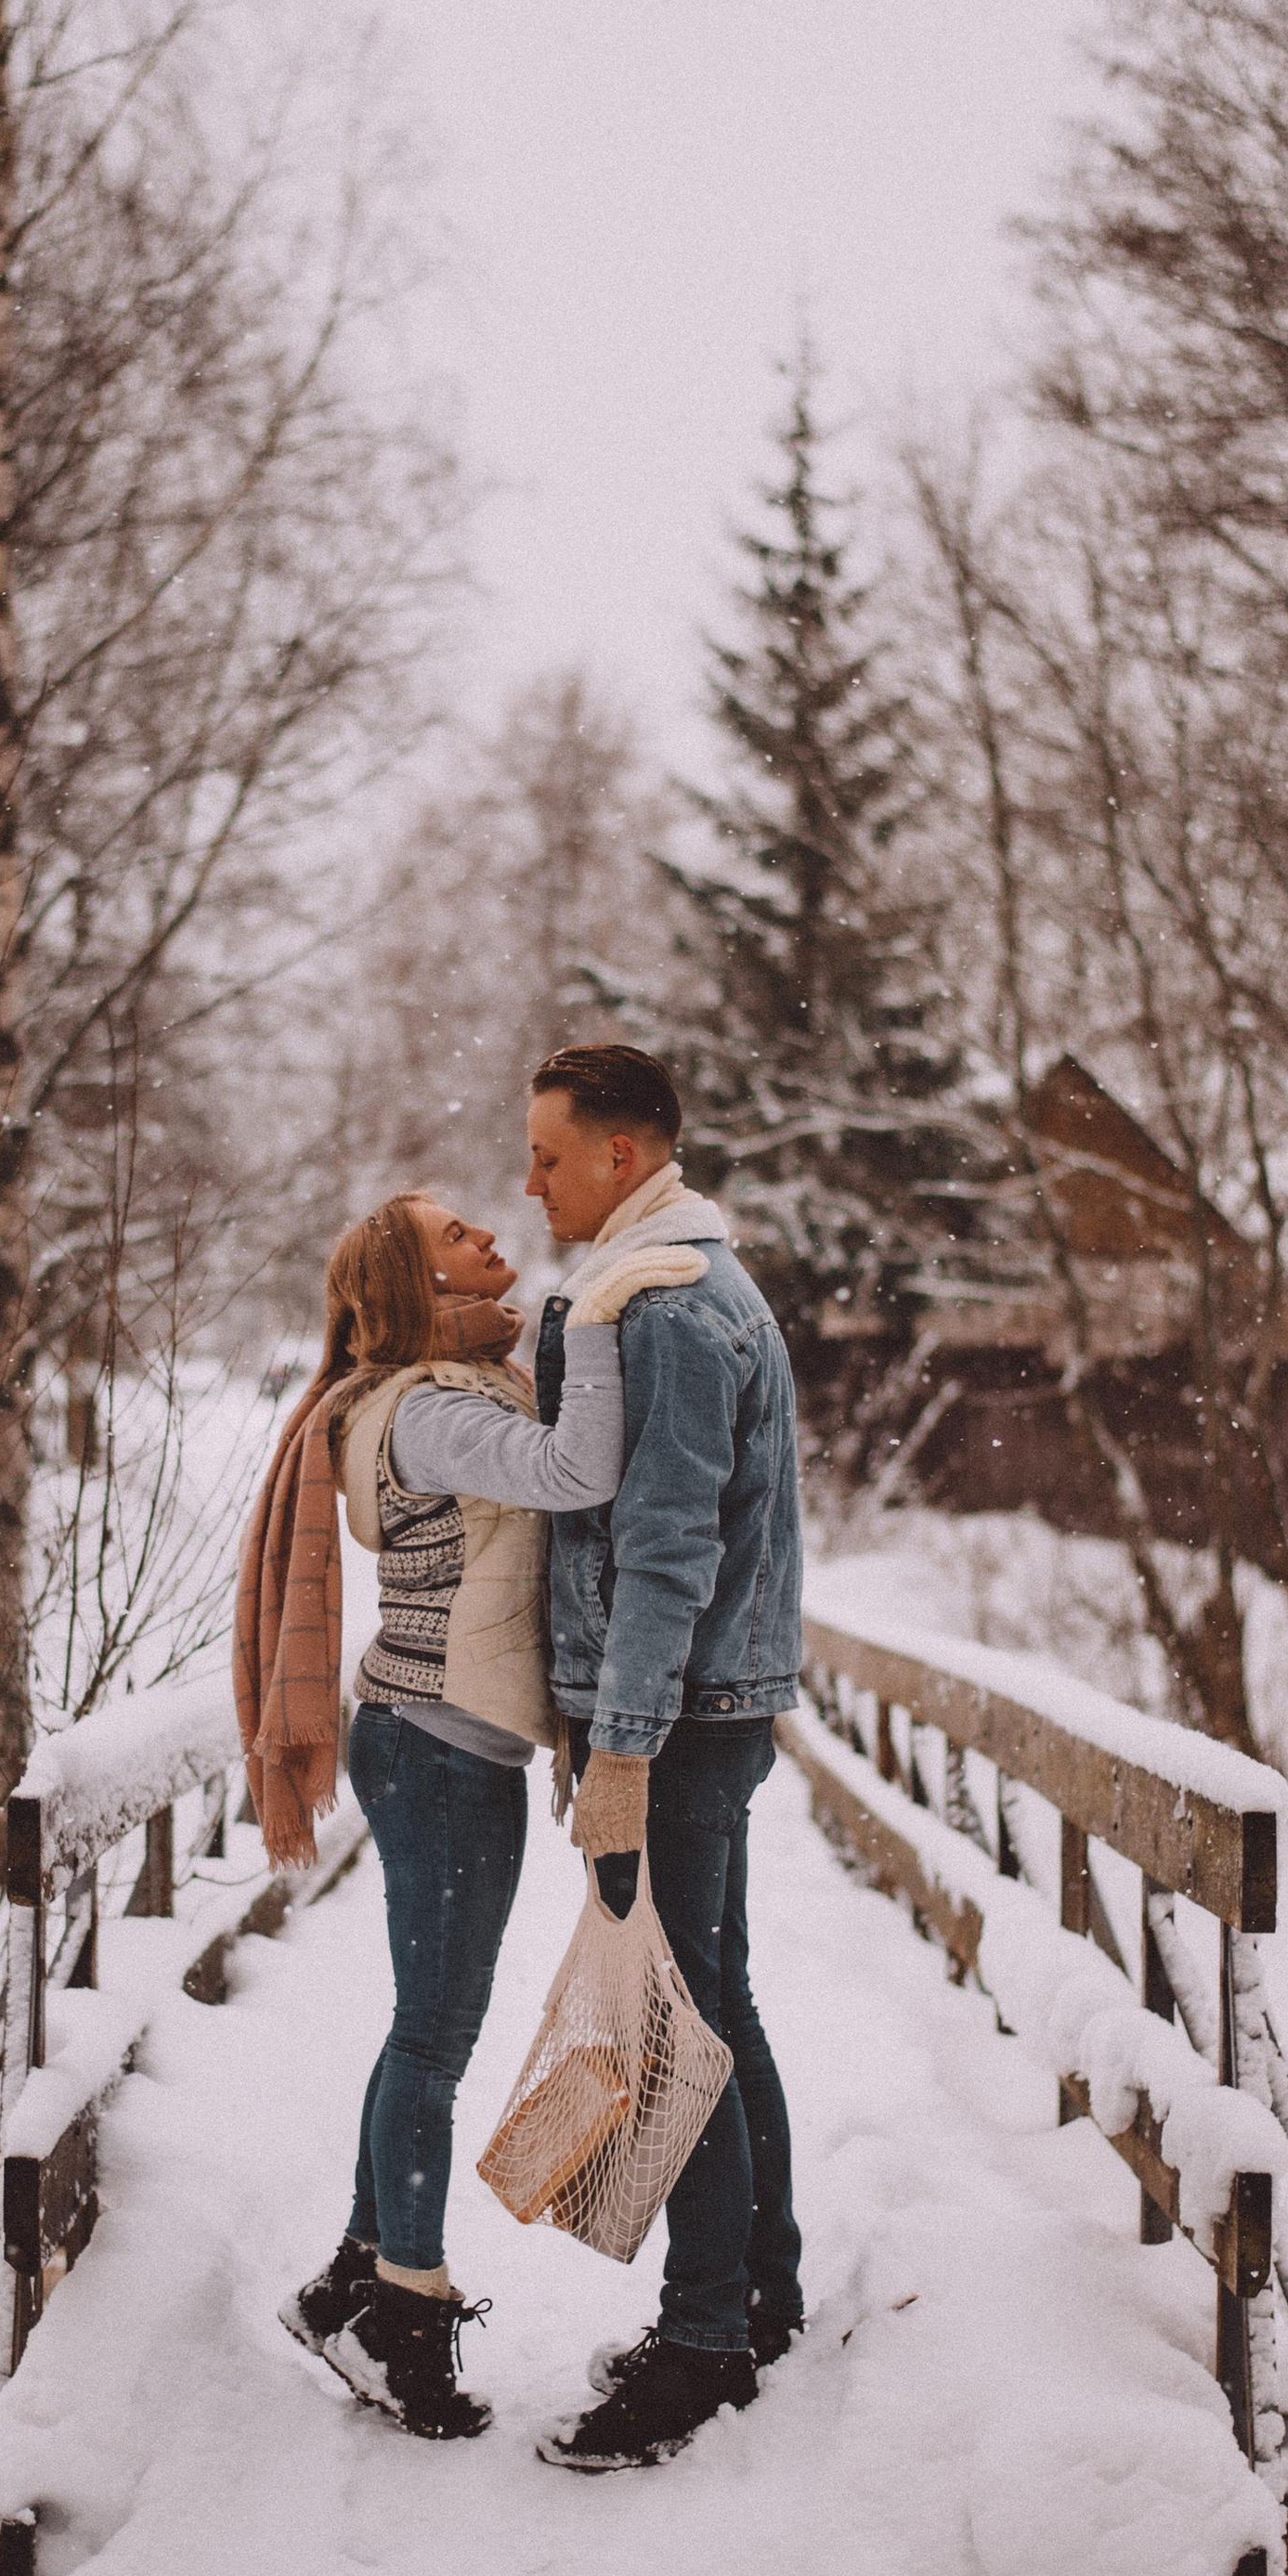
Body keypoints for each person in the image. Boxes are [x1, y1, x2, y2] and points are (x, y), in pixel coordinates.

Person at [233, 1185, 700, 2441]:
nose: (489, 1237)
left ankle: (351, 2279)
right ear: (417, 1286)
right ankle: (403, 2317)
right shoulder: (428, 1411)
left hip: (442, 1744)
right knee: (434, 2045)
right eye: (456, 1237)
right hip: (438, 1752)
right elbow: (575, 1469)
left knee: (420, 2034)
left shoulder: (458, 1387)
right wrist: (593, 1318)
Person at [522, 1042, 806, 2472]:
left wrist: (621, 1746)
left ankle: (704, 2346)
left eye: (549, 1156)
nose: (533, 1183)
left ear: (619, 1156)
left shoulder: (671, 1308)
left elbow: (669, 1543)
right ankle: (756, 2295)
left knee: (669, 2021)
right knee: (713, 2000)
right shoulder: (669, 1284)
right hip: (702, 1708)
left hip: (680, 1720)